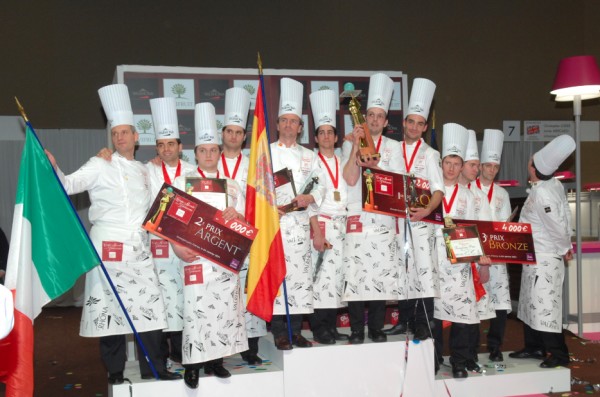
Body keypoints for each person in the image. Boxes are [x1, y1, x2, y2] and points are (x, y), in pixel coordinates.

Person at [45, 84, 179, 384]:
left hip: (139, 248)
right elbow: (68, 185)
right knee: (110, 311)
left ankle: (154, 368)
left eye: (124, 132)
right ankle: (115, 373)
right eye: (115, 133)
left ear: (136, 137)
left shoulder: (146, 170)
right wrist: (52, 166)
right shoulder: (99, 163)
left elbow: (166, 194)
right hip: (108, 249)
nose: (119, 137)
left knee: (151, 309)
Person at [171, 102, 248, 388]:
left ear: (219, 153)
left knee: (224, 311)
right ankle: (192, 365)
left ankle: (217, 362)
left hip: (223, 259)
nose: (208, 155)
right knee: (195, 311)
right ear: (196, 154)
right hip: (195, 259)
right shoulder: (183, 181)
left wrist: (237, 214)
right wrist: (177, 248)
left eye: (212, 150)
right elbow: (171, 220)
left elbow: (244, 223)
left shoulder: (231, 185)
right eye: (202, 151)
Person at [341, 73, 401, 344]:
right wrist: (356, 147)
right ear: (364, 118)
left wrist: (375, 165)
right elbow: (351, 178)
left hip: (383, 218)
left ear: (386, 122)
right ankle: (356, 330)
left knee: (380, 274)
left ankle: (376, 328)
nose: (375, 120)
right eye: (371, 115)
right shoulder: (349, 142)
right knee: (355, 273)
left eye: (380, 116)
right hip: (357, 216)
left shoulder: (395, 148)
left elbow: (398, 183)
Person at [383, 77, 444, 341]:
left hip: (421, 224)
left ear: (425, 127)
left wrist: (426, 211)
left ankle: (423, 322)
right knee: (401, 270)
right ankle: (404, 320)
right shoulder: (392, 149)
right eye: (411, 122)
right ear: (404, 123)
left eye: (420, 124)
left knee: (423, 272)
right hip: (396, 222)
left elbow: (438, 191)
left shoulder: (430, 155)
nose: (415, 127)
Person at [510, 134, 575, 369]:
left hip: (544, 259)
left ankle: (558, 353)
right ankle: (534, 346)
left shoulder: (542, 194)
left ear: (534, 169)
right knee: (529, 304)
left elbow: (556, 224)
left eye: (530, 162)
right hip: (534, 257)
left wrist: (565, 246)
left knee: (545, 308)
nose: (528, 164)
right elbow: (565, 215)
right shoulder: (552, 185)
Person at [270, 77, 325, 350]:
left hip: (301, 226)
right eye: (285, 121)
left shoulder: (309, 156)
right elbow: (255, 190)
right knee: (279, 277)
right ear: (278, 124)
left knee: (301, 278)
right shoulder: (265, 154)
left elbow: (322, 186)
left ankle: (296, 331)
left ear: (301, 127)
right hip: (276, 226)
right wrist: (271, 208)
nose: (289, 126)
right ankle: (280, 333)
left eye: (294, 121)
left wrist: (310, 196)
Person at [432, 123, 491, 378]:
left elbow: (475, 229)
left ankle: (458, 361)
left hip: (459, 262)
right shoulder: (430, 191)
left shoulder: (469, 197)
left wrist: (481, 259)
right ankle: (432, 360)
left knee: (461, 314)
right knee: (434, 314)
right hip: (434, 259)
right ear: (442, 163)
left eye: (457, 163)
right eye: (448, 162)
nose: (452, 168)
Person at [217, 87, 266, 364]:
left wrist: (246, 220)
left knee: (248, 292)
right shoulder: (208, 163)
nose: (233, 136)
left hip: (248, 239)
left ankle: (251, 350)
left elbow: (262, 203)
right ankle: (221, 350)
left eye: (238, 132)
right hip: (218, 240)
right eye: (229, 131)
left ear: (244, 136)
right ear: (222, 133)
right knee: (222, 295)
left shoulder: (253, 165)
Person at [147, 96, 196, 367]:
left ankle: (183, 350)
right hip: (160, 247)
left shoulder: (192, 171)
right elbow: (151, 213)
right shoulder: (148, 171)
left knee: (187, 297)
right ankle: (163, 353)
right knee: (164, 298)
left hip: (188, 247)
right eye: (161, 145)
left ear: (180, 146)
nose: (166, 149)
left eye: (170, 144)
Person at [307, 89, 349, 344]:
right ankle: (318, 327)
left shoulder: (343, 159)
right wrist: (317, 231)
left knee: (335, 277)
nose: (326, 136)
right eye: (321, 132)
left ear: (335, 137)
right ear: (315, 137)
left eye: (330, 132)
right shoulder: (310, 161)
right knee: (318, 276)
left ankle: (331, 325)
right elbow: (309, 195)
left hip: (340, 224)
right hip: (320, 222)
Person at [458, 129, 495, 371]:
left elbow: (486, 230)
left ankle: (470, 356)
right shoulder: (448, 190)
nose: (476, 169)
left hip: (474, 261)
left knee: (474, 313)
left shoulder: (480, 196)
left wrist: (483, 260)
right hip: (455, 260)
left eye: (477, 165)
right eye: (472, 164)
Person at [477, 129, 512, 362]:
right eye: (488, 165)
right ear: (480, 165)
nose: (491, 170)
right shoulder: (470, 189)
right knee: (474, 301)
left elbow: (507, 226)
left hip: (497, 256)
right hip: (476, 254)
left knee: (499, 303)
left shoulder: (502, 194)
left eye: (495, 167)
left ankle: (495, 346)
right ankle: (469, 346)